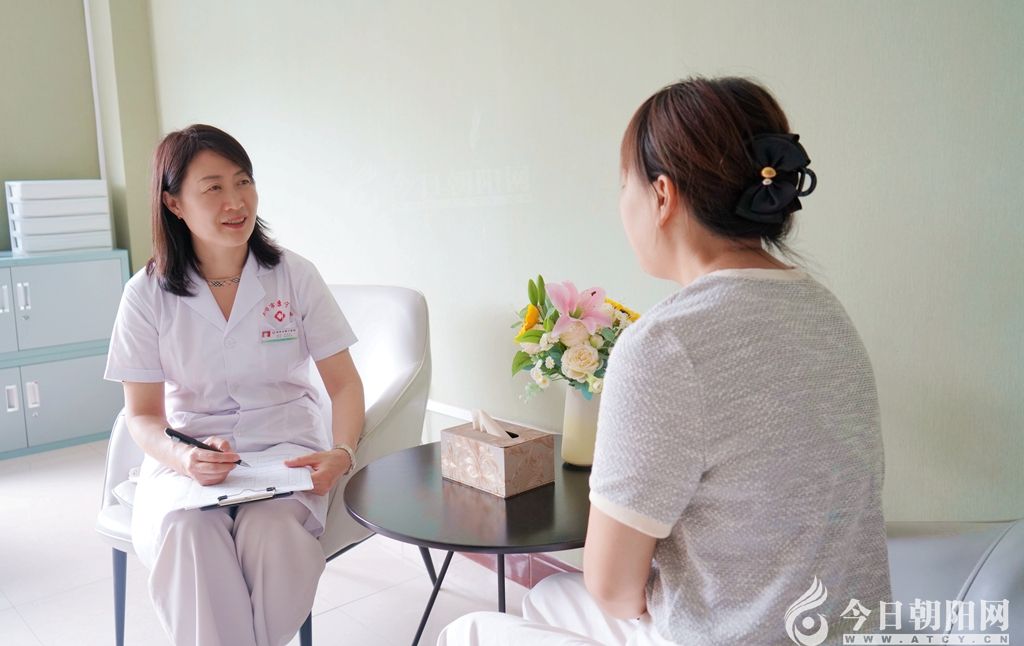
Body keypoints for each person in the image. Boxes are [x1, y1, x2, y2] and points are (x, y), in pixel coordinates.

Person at [438, 77, 890, 645]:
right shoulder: (826, 312)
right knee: (548, 597)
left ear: (661, 196)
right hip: (850, 631)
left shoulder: (666, 345)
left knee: (466, 632)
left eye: (623, 184)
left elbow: (614, 591)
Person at [104, 124, 365, 646]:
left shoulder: (294, 275)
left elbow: (344, 385)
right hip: (190, 456)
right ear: (174, 203)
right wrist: (185, 458)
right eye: (214, 187)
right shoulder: (145, 294)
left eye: (243, 181)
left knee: (271, 534)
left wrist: (342, 451)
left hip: (285, 450)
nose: (236, 201)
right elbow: (144, 415)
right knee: (189, 532)